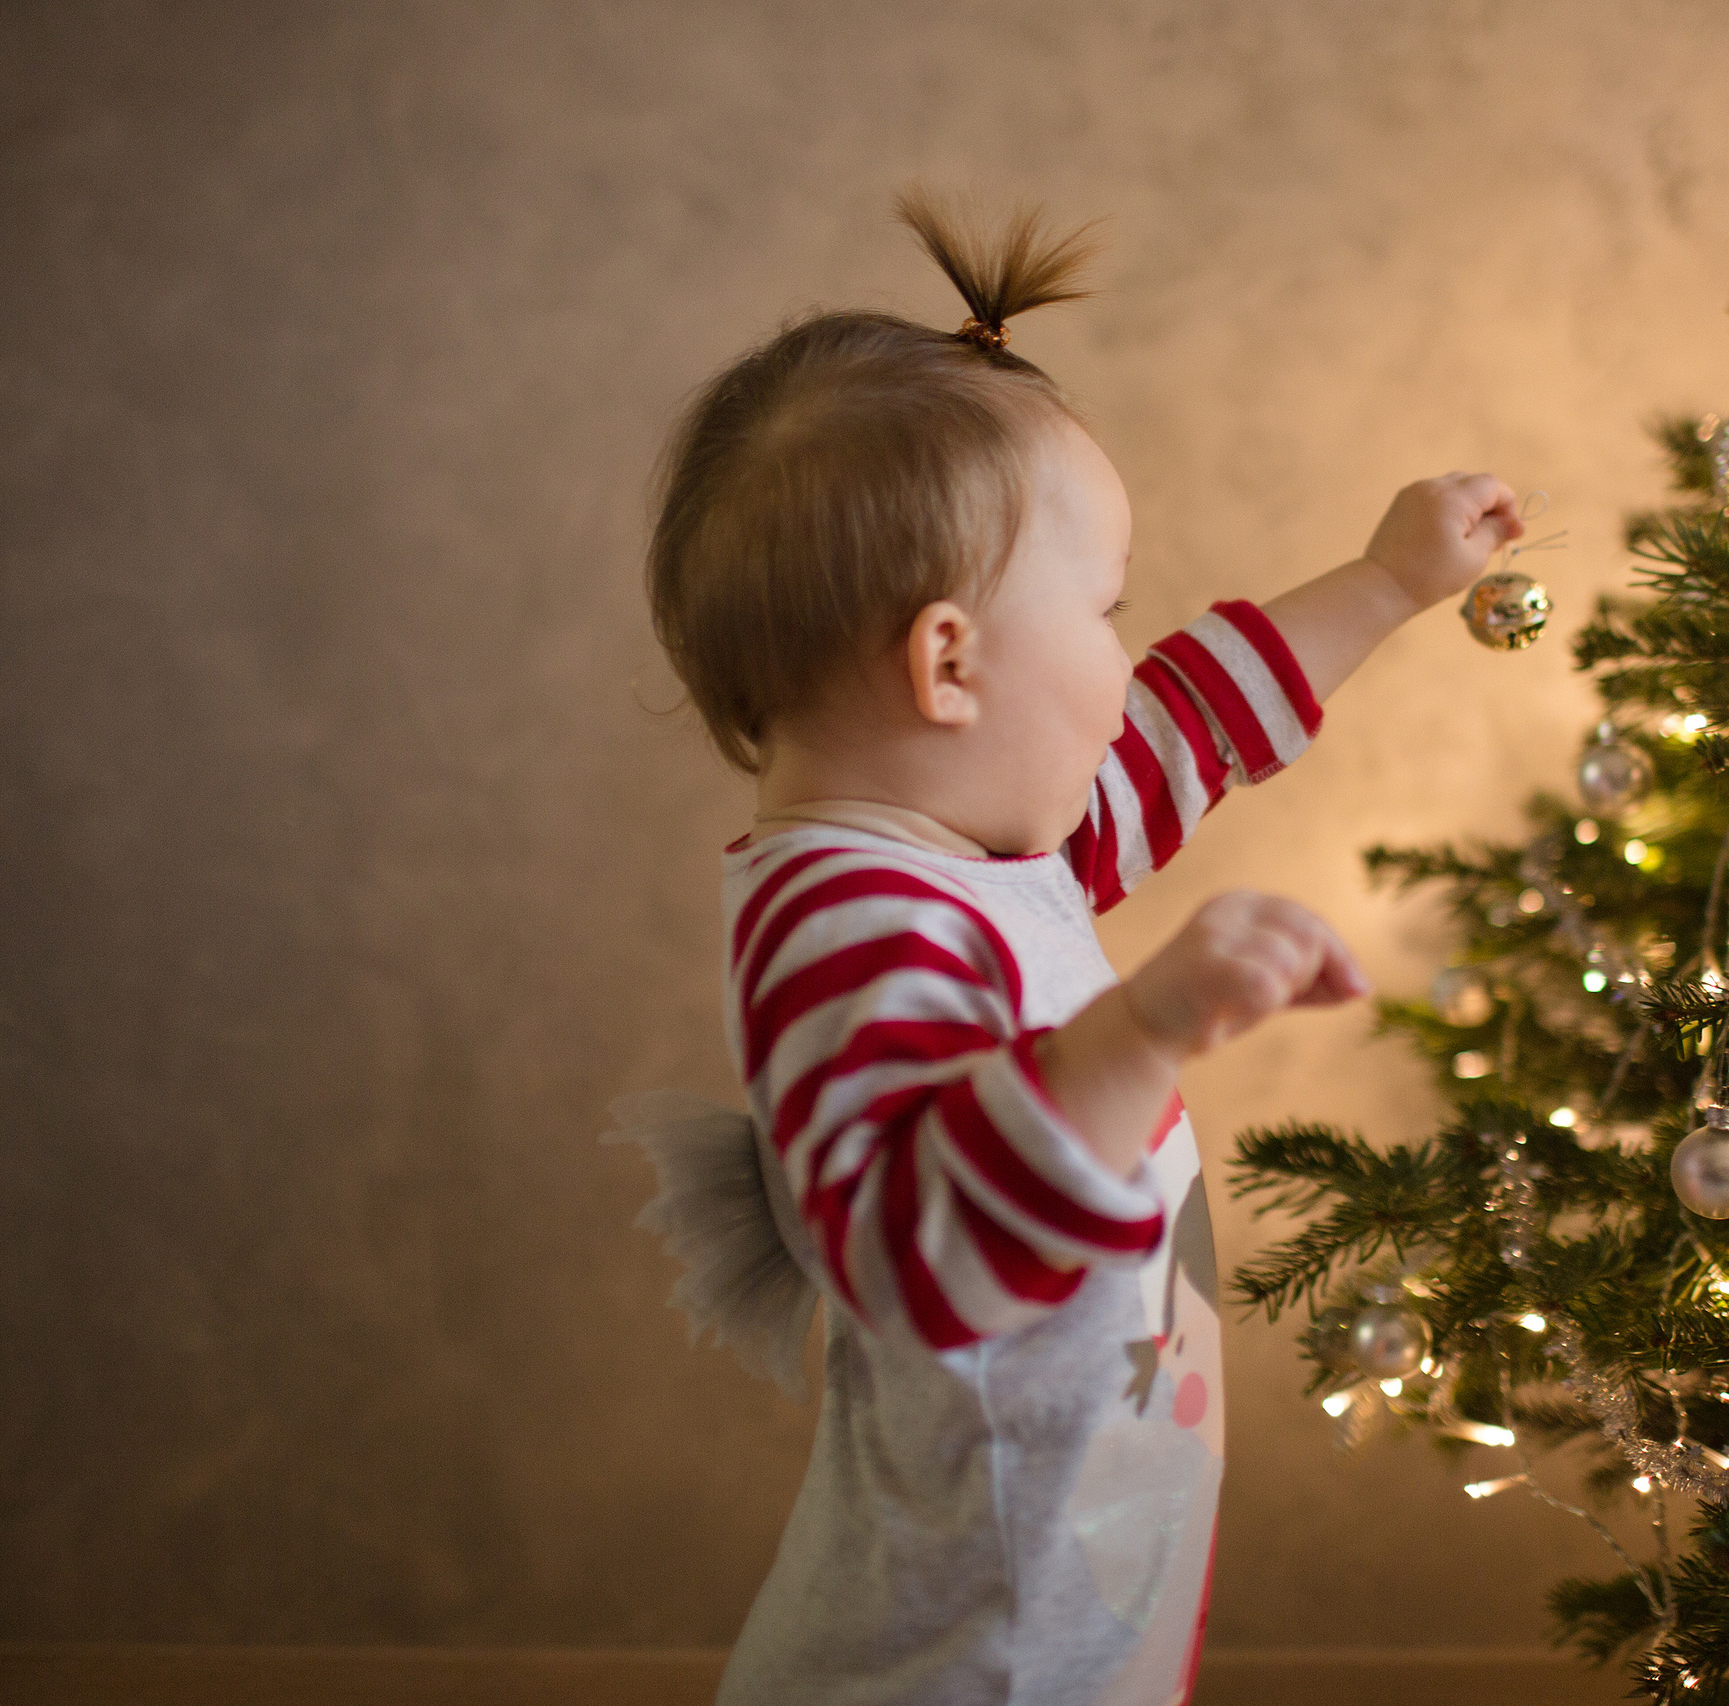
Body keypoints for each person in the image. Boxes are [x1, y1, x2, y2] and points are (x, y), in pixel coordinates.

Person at [628, 192, 1521, 1706]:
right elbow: (919, 1241)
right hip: (970, 1645)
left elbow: (1182, 726)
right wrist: (1147, 1021)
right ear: (949, 662)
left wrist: (1380, 584)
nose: (1128, 655)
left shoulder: (984, 846)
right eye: (1104, 609)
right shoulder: (846, 920)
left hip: (1084, 1555)